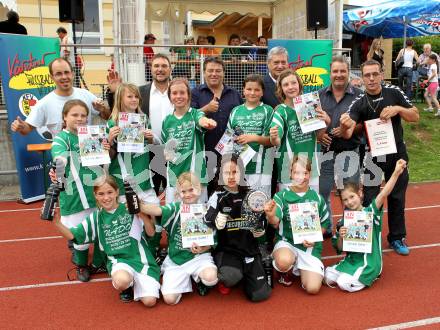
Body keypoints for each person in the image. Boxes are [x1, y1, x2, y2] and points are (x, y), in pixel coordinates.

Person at [340, 59, 419, 256]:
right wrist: (344, 124)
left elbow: (415, 115)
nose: (372, 78)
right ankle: (367, 237)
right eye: (367, 75)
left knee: (397, 197)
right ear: (362, 78)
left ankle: (397, 237)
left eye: (375, 74)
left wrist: (398, 109)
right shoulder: (358, 102)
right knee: (369, 198)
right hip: (373, 157)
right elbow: (348, 133)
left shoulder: (393, 92)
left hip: (397, 154)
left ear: (381, 75)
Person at [53, 175, 161, 306]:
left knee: (150, 302)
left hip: (141, 259)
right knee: (122, 280)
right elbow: (73, 235)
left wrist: (142, 215)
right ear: (96, 196)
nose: (106, 197)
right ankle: (126, 286)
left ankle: (139, 282)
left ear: (117, 192)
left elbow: (151, 233)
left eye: (110, 192)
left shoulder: (129, 208)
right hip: (119, 261)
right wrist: (57, 222)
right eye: (101, 194)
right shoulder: (96, 217)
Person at [325, 159, 407, 292]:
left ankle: (371, 275)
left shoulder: (370, 212)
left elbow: (384, 193)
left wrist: (396, 173)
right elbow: (340, 248)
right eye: (345, 200)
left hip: (369, 262)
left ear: (360, 194)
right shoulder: (343, 222)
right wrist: (341, 236)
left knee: (343, 283)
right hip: (351, 261)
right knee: (326, 276)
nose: (350, 202)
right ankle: (351, 275)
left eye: (352, 197)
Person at [51, 99, 108, 282]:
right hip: (74, 194)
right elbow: (59, 156)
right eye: (75, 115)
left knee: (100, 228)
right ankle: (82, 265)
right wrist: (59, 167)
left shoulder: (91, 136)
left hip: (95, 192)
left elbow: (101, 163)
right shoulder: (62, 137)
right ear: (64, 117)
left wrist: (105, 150)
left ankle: (99, 262)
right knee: (79, 234)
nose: (80, 118)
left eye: (83, 115)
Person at [140, 172, 218, 304]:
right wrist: (140, 207)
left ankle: (200, 280)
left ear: (199, 189)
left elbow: (213, 241)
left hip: (198, 258)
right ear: (178, 194)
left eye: (191, 190)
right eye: (183, 191)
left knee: (210, 278)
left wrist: (203, 248)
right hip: (177, 259)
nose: (188, 194)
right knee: (170, 300)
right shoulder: (176, 209)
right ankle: (185, 279)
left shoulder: (206, 210)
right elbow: (158, 210)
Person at [205, 154, 272, 302]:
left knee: (260, 295)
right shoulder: (217, 195)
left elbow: (261, 224)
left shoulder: (252, 195)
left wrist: (260, 230)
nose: (231, 176)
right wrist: (215, 217)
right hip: (228, 250)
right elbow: (206, 216)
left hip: (250, 250)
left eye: (235, 172)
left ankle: (247, 273)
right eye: (227, 172)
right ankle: (233, 274)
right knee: (230, 277)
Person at [107, 54, 173, 196]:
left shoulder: (177, 91)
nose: (160, 69)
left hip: (173, 152)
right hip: (149, 154)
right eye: (156, 66)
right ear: (151, 68)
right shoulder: (141, 90)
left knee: (174, 194)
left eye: (164, 66)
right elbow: (122, 107)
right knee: (151, 192)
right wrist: (113, 92)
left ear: (170, 69)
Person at [264, 155, 330, 294]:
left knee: (313, 289)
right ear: (291, 174)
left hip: (309, 247)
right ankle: (284, 271)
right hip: (287, 243)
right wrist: (270, 214)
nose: (301, 177)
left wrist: (315, 237)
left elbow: (324, 224)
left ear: (309, 174)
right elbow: (275, 223)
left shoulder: (317, 199)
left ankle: (301, 268)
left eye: (305, 173)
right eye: (297, 172)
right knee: (283, 261)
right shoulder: (281, 196)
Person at [318, 56, 362, 237]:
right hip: (325, 153)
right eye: (335, 71)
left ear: (348, 72)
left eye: (343, 71)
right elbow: (311, 123)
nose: (339, 75)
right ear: (330, 73)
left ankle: (350, 230)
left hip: (349, 151)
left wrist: (350, 127)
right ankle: (326, 227)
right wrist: (319, 135)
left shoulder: (360, 95)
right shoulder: (319, 96)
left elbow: (365, 123)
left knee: (350, 194)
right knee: (322, 192)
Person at [11, 58, 110, 139]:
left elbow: (107, 117)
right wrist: (21, 126)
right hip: (63, 156)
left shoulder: (86, 95)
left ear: (72, 74)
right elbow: (28, 128)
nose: (64, 77)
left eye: (66, 72)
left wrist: (102, 109)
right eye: (58, 74)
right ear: (52, 77)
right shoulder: (44, 103)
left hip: (90, 153)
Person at [269, 69, 330, 193]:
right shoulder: (280, 111)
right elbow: (276, 141)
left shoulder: (309, 105)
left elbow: (318, 137)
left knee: (311, 209)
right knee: (290, 210)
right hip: (289, 171)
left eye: (293, 83)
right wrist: (274, 137)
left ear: (299, 84)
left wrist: (326, 122)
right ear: (281, 89)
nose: (291, 87)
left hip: (310, 168)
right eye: (286, 84)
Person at [191, 57, 242, 194]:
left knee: (229, 192)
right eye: (210, 70)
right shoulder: (195, 93)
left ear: (224, 73)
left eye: (218, 70)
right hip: (204, 153)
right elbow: (188, 117)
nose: (214, 74)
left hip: (230, 154)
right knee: (207, 192)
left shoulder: (234, 94)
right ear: (204, 72)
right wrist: (206, 109)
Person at [161, 77, 217, 203]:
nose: (178, 96)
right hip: (174, 178)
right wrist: (168, 154)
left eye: (182, 93)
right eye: (174, 93)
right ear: (170, 97)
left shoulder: (195, 114)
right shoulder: (166, 121)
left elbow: (201, 120)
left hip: (196, 178)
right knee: (176, 218)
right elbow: (166, 149)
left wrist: (207, 122)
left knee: (197, 219)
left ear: (188, 95)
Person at [107, 83, 159, 205]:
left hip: (144, 180)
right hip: (122, 182)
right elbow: (107, 157)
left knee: (153, 219)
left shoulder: (144, 119)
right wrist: (109, 140)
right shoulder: (112, 123)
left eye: (136, 96)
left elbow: (151, 148)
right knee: (129, 222)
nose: (134, 99)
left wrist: (151, 139)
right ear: (120, 98)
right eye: (130, 96)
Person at [227, 74, 273, 196]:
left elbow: (271, 141)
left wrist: (253, 138)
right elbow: (227, 139)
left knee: (259, 206)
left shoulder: (268, 110)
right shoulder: (235, 111)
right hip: (238, 168)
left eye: (257, 90)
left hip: (261, 169)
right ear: (243, 90)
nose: (252, 93)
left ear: (262, 92)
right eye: (249, 89)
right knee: (239, 205)